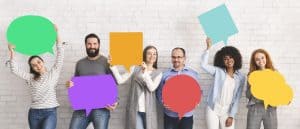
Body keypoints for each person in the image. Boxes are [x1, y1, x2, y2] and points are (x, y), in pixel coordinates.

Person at [8, 25, 64, 129]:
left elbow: (60, 54)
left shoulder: (54, 73)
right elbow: (14, 69)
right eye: (34, 65)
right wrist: (12, 52)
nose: (37, 65)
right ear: (32, 68)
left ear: (43, 61)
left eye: (38, 62)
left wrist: (56, 32)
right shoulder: (30, 78)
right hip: (34, 113)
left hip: (50, 112)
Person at [66, 33, 118, 129]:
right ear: (85, 45)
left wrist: (115, 102)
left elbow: (114, 83)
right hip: (82, 108)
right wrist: (69, 85)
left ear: (99, 45)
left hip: (101, 108)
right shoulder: (79, 63)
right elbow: (75, 85)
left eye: (94, 44)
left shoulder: (107, 62)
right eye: (89, 44)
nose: (92, 46)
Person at [109, 45, 162, 129]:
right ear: (144, 55)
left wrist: (145, 72)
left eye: (154, 54)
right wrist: (113, 67)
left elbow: (152, 88)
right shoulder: (135, 68)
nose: (152, 56)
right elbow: (120, 80)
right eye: (149, 53)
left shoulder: (158, 73)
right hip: (135, 109)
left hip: (149, 110)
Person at [201, 38, 246, 129]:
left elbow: (237, 98)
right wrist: (208, 48)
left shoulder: (241, 77)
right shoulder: (218, 71)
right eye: (225, 59)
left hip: (227, 111)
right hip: (213, 108)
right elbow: (204, 65)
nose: (228, 60)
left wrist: (231, 116)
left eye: (230, 57)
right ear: (222, 61)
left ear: (235, 58)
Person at [156, 47, 201, 129]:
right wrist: (163, 102)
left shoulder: (193, 74)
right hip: (170, 116)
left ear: (184, 58)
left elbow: (198, 91)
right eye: (173, 57)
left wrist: (197, 100)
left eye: (179, 57)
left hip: (187, 115)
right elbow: (159, 92)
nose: (176, 59)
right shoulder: (165, 75)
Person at [246, 49, 277, 129]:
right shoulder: (251, 75)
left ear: (266, 58)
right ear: (254, 62)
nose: (261, 61)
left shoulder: (274, 73)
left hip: (270, 108)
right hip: (255, 108)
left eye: (262, 57)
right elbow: (248, 95)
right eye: (257, 59)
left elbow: (278, 91)